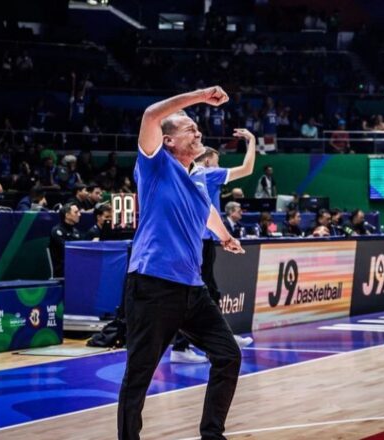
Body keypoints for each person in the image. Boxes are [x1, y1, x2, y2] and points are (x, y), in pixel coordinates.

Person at [119, 87, 244, 440]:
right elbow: (149, 115)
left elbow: (207, 215)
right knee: (139, 376)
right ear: (169, 140)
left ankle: (212, 434)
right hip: (152, 285)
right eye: (190, 127)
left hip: (192, 288)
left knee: (228, 355)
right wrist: (200, 96)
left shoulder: (198, 178)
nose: (198, 131)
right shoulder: (155, 166)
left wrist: (225, 237)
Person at [171, 128, 257, 363]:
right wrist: (252, 141)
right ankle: (181, 346)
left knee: (209, 292)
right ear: (208, 160)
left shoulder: (195, 175)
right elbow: (247, 169)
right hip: (201, 239)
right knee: (198, 293)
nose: (219, 166)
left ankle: (220, 337)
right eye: (217, 161)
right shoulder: (206, 173)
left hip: (206, 239)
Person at [49, 202, 83, 277]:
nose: (79, 214)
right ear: (67, 215)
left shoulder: (76, 231)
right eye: (76, 212)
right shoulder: (57, 231)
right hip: (62, 270)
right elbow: (67, 250)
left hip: (76, 267)